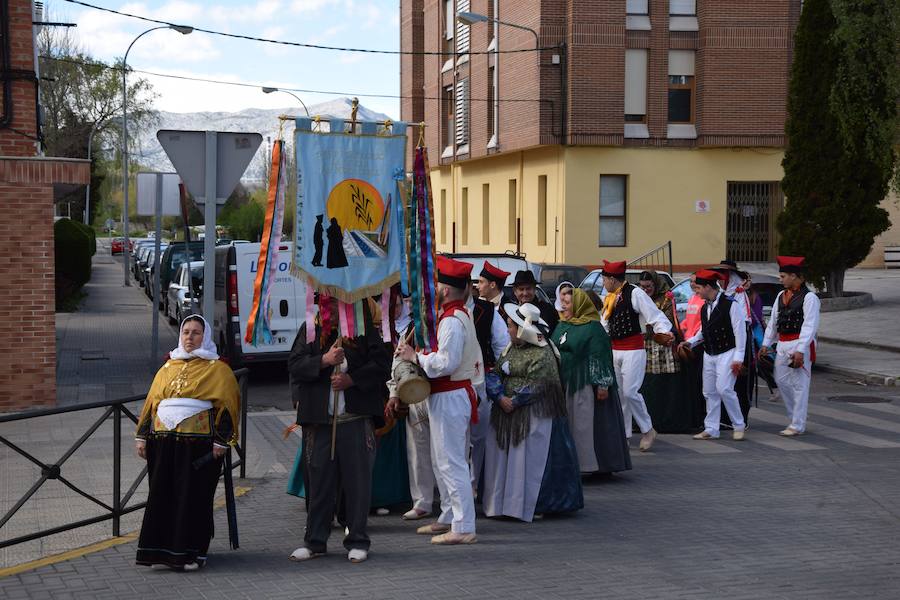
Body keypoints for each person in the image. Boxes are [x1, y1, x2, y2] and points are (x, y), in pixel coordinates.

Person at [287, 297, 391, 564]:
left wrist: (351, 379)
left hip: (355, 419)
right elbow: (295, 365)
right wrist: (323, 360)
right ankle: (315, 541)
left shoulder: (362, 328)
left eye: (334, 303)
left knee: (358, 484)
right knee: (319, 484)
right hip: (320, 421)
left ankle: (357, 539)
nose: (329, 309)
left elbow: (382, 363)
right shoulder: (310, 328)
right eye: (325, 303)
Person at [135, 315, 240, 571]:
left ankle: (192, 553)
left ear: (205, 337)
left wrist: (222, 441)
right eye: (186, 332)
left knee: (193, 497)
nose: (190, 337)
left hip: (198, 446)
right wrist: (142, 436)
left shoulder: (218, 369)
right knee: (162, 495)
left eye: (196, 333)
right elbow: (152, 403)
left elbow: (228, 406)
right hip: (164, 444)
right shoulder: (168, 368)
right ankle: (160, 553)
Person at [392, 256, 483, 545]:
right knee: (441, 460)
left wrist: (414, 356)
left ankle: (464, 524)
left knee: (452, 462)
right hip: (447, 395)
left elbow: (446, 362)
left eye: (437, 283)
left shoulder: (452, 321)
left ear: (445, 290)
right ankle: (449, 515)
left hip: (451, 394)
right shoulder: (453, 317)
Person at [482, 303, 582, 522]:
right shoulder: (510, 349)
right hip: (506, 410)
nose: (507, 330)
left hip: (535, 415)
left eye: (510, 326)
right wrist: (499, 397)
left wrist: (515, 401)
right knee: (505, 458)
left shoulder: (543, 351)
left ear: (521, 329)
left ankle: (532, 503)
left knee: (531, 460)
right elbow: (495, 373)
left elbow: (540, 383)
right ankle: (502, 503)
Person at [552, 287, 631, 475]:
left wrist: (602, 384)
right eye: (563, 302)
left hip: (584, 383)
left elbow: (599, 355)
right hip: (565, 381)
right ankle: (569, 463)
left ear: (579, 304)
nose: (564, 306)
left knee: (585, 425)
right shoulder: (563, 324)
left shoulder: (592, 327)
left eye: (568, 303)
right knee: (570, 424)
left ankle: (590, 465)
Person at [599, 261, 674, 451]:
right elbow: (605, 324)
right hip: (614, 350)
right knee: (619, 395)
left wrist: (664, 332)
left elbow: (655, 315)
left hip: (633, 349)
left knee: (631, 392)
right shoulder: (609, 297)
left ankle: (648, 430)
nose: (603, 282)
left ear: (612, 279)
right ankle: (624, 435)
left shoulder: (635, 293)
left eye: (604, 279)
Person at [679, 270, 748, 441]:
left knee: (724, 388)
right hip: (709, 353)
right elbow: (704, 331)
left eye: (699, 288)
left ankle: (738, 424)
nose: (697, 291)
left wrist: (738, 358)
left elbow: (740, 333)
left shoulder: (731, 304)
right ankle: (711, 428)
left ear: (709, 287)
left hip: (728, 352)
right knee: (709, 391)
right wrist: (691, 342)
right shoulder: (704, 307)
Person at [386, 294, 435, 521]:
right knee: (417, 452)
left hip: (441, 396)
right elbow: (398, 361)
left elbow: (446, 363)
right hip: (416, 396)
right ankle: (422, 502)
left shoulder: (448, 326)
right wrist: (395, 392)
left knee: (444, 454)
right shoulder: (413, 329)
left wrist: (415, 357)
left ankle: (448, 502)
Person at [760, 256, 821, 436]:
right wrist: (766, 343)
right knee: (781, 380)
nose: (780, 279)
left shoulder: (810, 298)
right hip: (783, 343)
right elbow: (773, 322)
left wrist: (800, 350)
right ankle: (795, 416)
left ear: (794, 276)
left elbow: (810, 325)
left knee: (800, 384)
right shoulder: (781, 295)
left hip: (798, 343)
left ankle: (797, 423)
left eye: (783, 276)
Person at [468, 272, 510, 492]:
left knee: (479, 436)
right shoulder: (438, 311)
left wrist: (498, 377)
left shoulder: (487, 311)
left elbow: (502, 347)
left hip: (479, 381)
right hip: (447, 382)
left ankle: (475, 483)